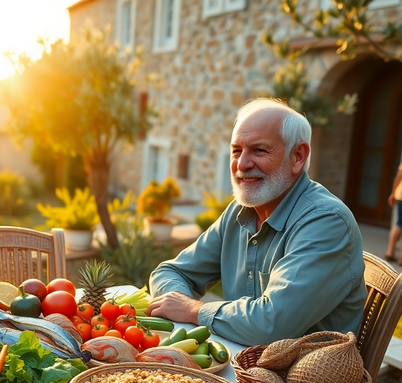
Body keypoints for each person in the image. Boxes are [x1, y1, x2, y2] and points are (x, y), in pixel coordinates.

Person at [146, 98, 367, 346]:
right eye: (236, 151)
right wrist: (178, 309)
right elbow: (172, 271)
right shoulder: (241, 212)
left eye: (259, 150)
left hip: (300, 379)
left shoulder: (325, 221)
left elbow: (271, 325)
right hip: (241, 360)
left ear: (298, 156)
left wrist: (192, 311)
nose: (242, 164)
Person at [385, 152, 402, 266]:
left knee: (400, 223)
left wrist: (393, 193)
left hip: (401, 193)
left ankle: (390, 252)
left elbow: (399, 175)